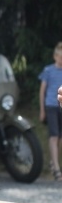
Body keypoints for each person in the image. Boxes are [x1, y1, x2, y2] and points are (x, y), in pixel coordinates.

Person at [38, 42, 62, 181]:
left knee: (60, 138)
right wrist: (42, 110)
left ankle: (54, 162)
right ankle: (57, 170)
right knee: (54, 136)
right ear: (55, 56)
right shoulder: (48, 70)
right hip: (51, 106)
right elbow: (42, 91)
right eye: (60, 56)